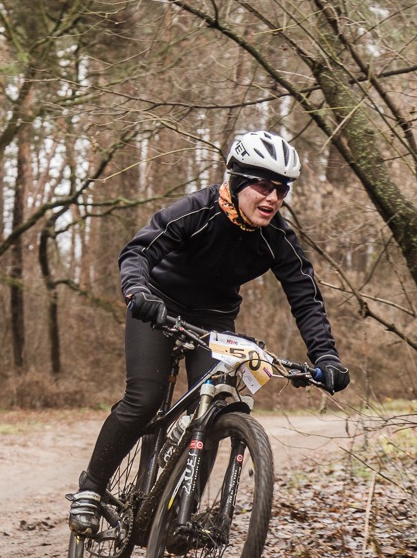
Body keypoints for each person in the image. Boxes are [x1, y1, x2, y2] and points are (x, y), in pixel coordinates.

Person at [67, 131, 350, 535]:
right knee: (144, 399)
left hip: (214, 321)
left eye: (282, 189)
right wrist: (138, 292)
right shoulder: (197, 211)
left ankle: (179, 517)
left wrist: (326, 357)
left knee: (216, 405)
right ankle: (91, 490)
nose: (273, 198)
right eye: (263, 186)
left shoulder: (277, 238)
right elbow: (138, 252)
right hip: (157, 306)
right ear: (238, 181)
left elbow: (305, 298)